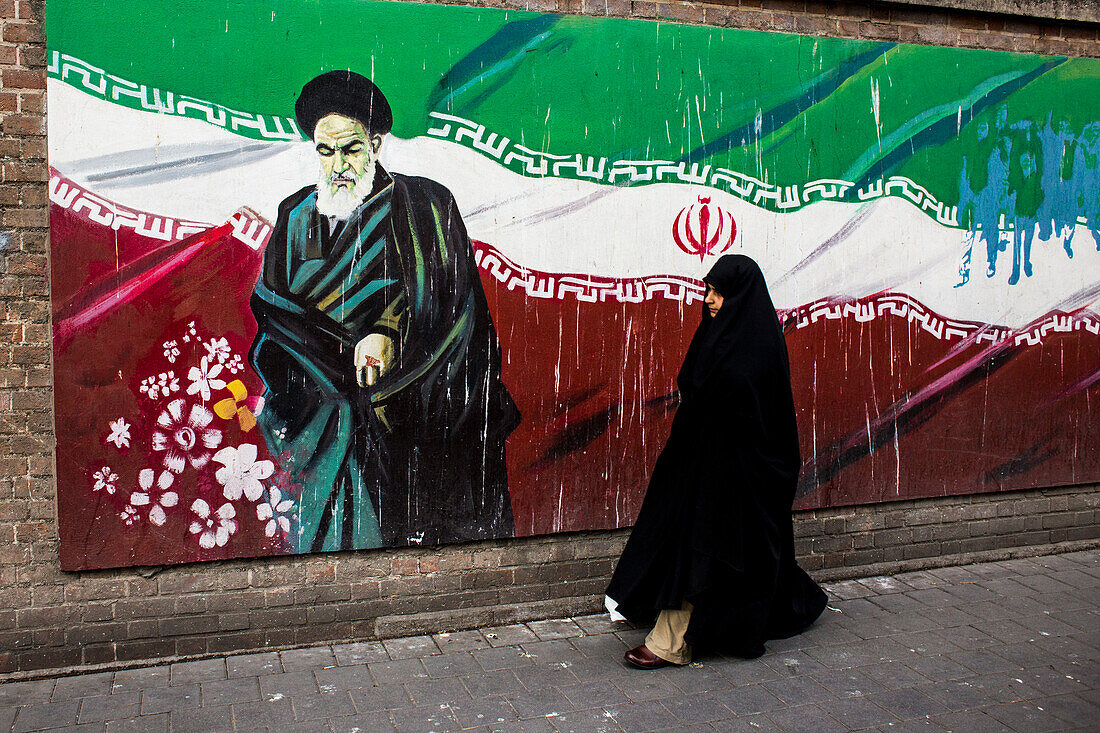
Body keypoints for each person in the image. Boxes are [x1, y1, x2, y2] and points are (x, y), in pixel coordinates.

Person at [249, 70, 520, 553]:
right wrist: (327, 359)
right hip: (324, 405)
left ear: (375, 144)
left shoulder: (425, 206)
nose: (337, 165)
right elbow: (274, 310)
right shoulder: (296, 214)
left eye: (350, 149)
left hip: (414, 398)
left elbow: (453, 306)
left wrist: (387, 334)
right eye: (325, 151)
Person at [605, 254, 827, 669]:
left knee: (703, 548)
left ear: (739, 294)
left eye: (718, 291)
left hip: (742, 473)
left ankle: (670, 643)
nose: (709, 299)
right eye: (708, 289)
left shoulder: (758, 344)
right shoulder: (717, 334)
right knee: (724, 552)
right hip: (702, 465)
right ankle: (786, 606)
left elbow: (765, 419)